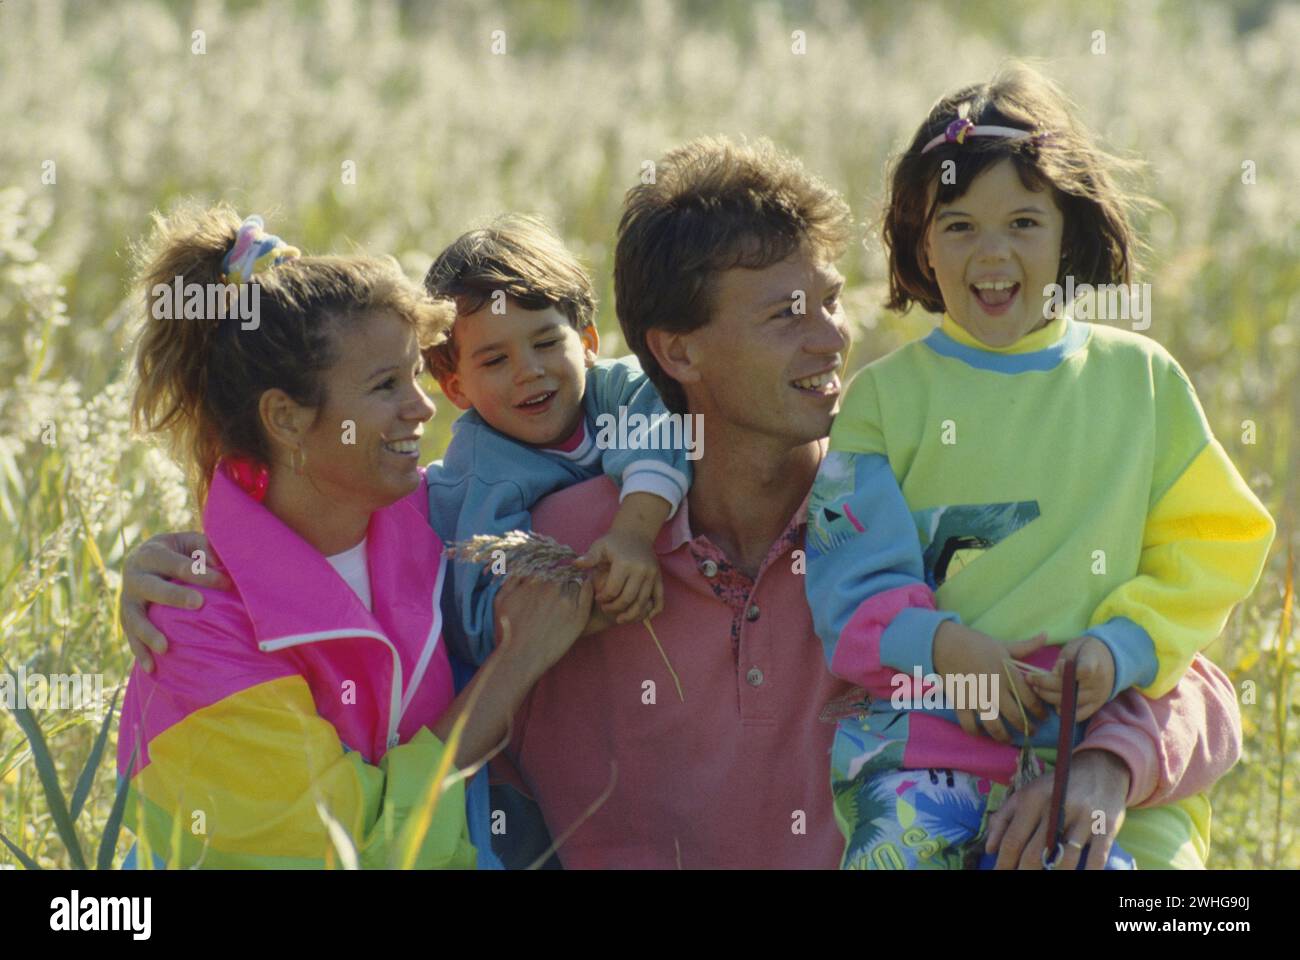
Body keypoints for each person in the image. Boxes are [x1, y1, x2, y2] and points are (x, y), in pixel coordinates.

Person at [121, 140, 1244, 869]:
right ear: (676, 350)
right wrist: (170, 562)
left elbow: (1179, 677)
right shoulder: (548, 556)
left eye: (830, 302)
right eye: (784, 316)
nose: (835, 339)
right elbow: (350, 649)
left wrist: (1104, 761)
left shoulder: (892, 518)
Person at [803, 65, 1275, 870]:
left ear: (1069, 232)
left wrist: (1122, 646)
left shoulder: (1143, 382)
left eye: (1024, 221)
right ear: (920, 240)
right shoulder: (883, 401)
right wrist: (946, 648)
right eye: (958, 226)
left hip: (1103, 746)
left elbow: (1214, 546)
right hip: (926, 744)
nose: (993, 254)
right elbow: (847, 583)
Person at [117, 204, 592, 869]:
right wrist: (513, 668)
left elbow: (610, 422)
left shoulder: (441, 515)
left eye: (417, 377)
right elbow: (352, 847)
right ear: (284, 418)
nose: (423, 408)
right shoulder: (195, 620)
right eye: (385, 385)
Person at [422, 215, 693, 666]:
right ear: (456, 388)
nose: (529, 370)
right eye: (494, 361)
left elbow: (667, 425)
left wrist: (631, 534)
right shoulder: (478, 470)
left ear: (587, 341)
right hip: (569, 686)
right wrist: (597, 604)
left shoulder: (622, 389)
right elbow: (476, 615)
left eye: (546, 343)